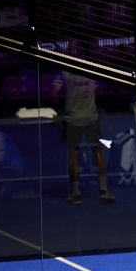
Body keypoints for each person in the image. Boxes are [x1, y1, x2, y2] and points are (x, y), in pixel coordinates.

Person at [52, 71, 116, 205]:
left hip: (72, 119)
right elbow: (103, 91)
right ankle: (104, 190)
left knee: (73, 154)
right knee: (98, 152)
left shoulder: (62, 73)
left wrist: (68, 94)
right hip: (91, 117)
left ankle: (76, 194)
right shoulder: (91, 70)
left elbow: (54, 96)